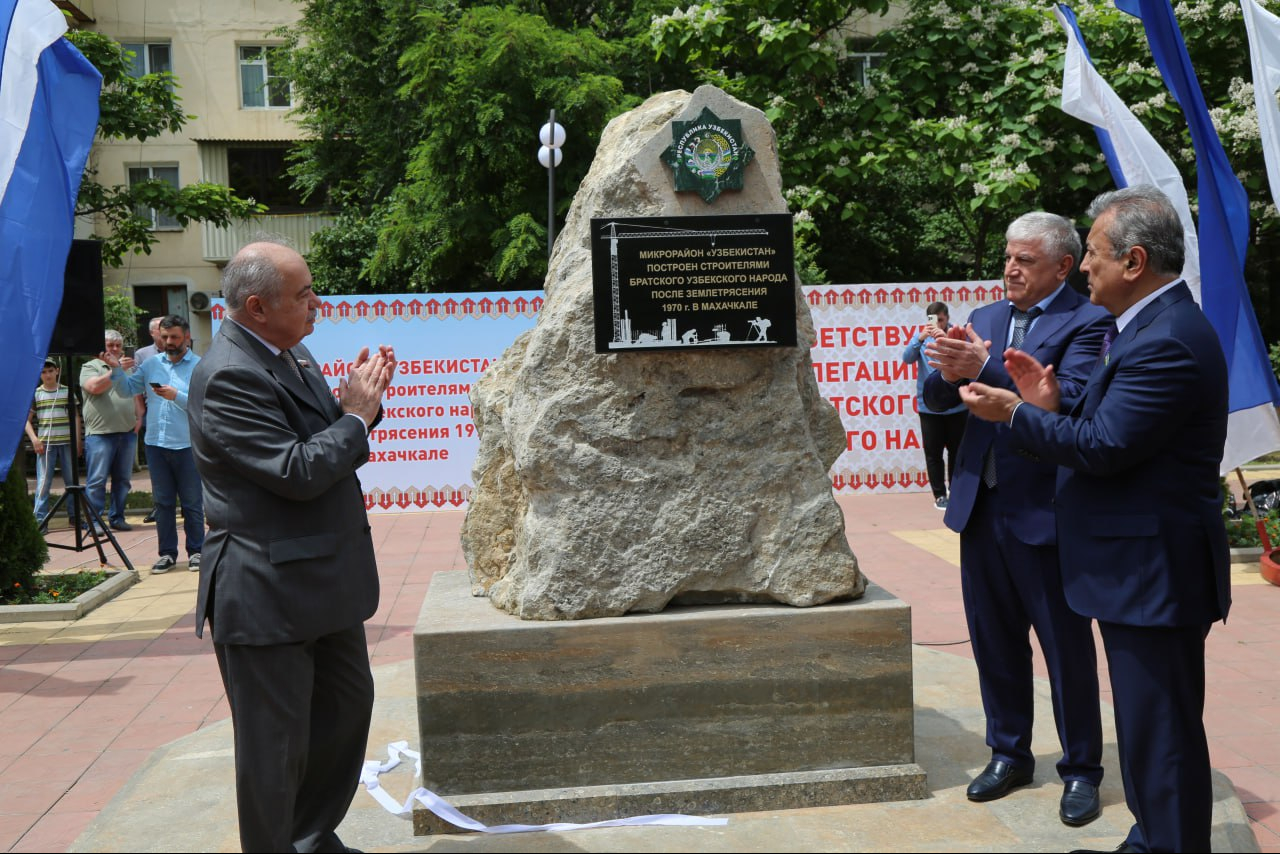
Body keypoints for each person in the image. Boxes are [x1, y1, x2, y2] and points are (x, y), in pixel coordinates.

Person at [959, 185, 1229, 853]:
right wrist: (1049, 403)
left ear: (1134, 262)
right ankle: (1150, 840)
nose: (1084, 268)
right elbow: (1111, 428)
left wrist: (1017, 414)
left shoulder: (1164, 339)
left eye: (1096, 256)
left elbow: (1106, 449)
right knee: (1145, 732)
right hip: (1138, 571)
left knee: (1161, 735)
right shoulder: (1152, 328)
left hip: (1153, 576)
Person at [187, 240, 395, 853]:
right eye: (303, 294)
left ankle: (309, 838)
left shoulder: (287, 351)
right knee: (275, 750)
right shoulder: (228, 374)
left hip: (318, 582)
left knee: (345, 712)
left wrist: (356, 405)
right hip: (265, 592)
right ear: (256, 307)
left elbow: (310, 433)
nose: (316, 303)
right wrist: (354, 419)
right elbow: (296, 470)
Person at [923, 211, 1111, 827]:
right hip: (981, 504)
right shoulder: (986, 319)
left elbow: (1071, 402)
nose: (1010, 268)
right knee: (993, 641)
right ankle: (1009, 753)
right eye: (1007, 256)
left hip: (1046, 512)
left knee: (1064, 650)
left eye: (1025, 259)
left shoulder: (1089, 322)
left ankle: (1081, 768)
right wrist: (942, 375)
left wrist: (982, 370)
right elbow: (952, 401)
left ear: (1062, 266)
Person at [106, 315, 204, 574]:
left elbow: (204, 404)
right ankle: (167, 554)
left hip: (187, 445)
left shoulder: (199, 366)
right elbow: (127, 390)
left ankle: (197, 551)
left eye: (174, 337)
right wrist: (117, 369)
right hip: (156, 445)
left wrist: (177, 396)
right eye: (164, 337)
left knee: (193, 502)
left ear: (186, 337)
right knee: (163, 503)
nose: (169, 342)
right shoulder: (150, 365)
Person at [901, 302, 967, 508]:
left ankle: (956, 492)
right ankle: (939, 495)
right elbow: (907, 359)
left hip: (957, 405)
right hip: (929, 407)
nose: (937, 324)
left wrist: (945, 338)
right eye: (933, 320)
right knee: (933, 453)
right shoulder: (921, 338)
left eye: (941, 319)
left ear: (947, 318)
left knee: (958, 451)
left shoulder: (956, 335)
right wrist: (920, 338)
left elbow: (964, 359)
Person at [80, 330, 145, 532]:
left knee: (123, 480)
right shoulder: (91, 366)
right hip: (100, 433)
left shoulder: (126, 368)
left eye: (118, 345)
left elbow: (134, 393)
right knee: (97, 480)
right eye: (110, 345)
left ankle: (117, 517)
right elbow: (94, 388)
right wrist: (114, 370)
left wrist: (139, 417)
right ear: (102, 348)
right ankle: (95, 521)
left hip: (126, 432)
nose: (115, 349)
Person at [26, 359, 78, 527]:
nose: (47, 375)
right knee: (43, 482)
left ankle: (74, 516)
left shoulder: (66, 391)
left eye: (50, 371)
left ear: (57, 371)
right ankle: (40, 520)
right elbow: (26, 420)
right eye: (43, 372)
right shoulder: (36, 394)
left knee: (71, 481)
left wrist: (77, 441)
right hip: (46, 444)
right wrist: (35, 439)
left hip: (66, 443)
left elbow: (75, 416)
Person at [134, 316, 164, 522]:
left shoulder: (181, 351)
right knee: (157, 462)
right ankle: (158, 505)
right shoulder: (142, 354)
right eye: (161, 329)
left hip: (176, 411)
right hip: (153, 412)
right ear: (153, 333)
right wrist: (141, 411)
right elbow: (136, 385)